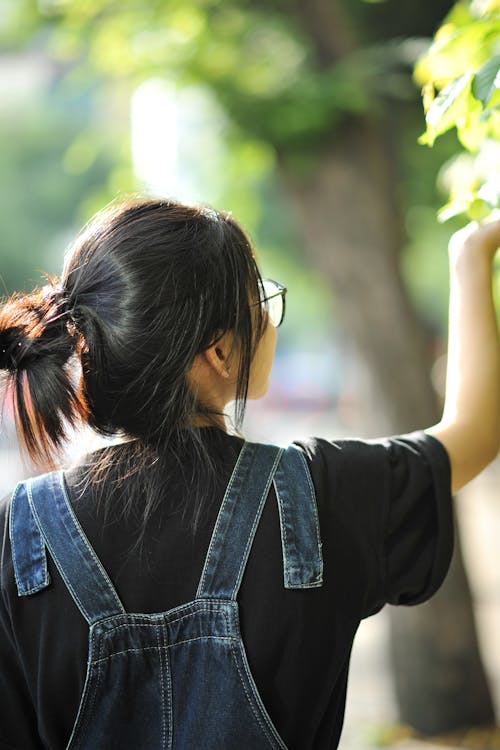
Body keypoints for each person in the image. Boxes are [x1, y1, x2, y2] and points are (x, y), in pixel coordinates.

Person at [0, 197, 498, 750]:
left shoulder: (20, 536)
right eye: (259, 300)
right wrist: (471, 254)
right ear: (218, 349)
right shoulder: (315, 493)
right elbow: (474, 434)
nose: (267, 316)